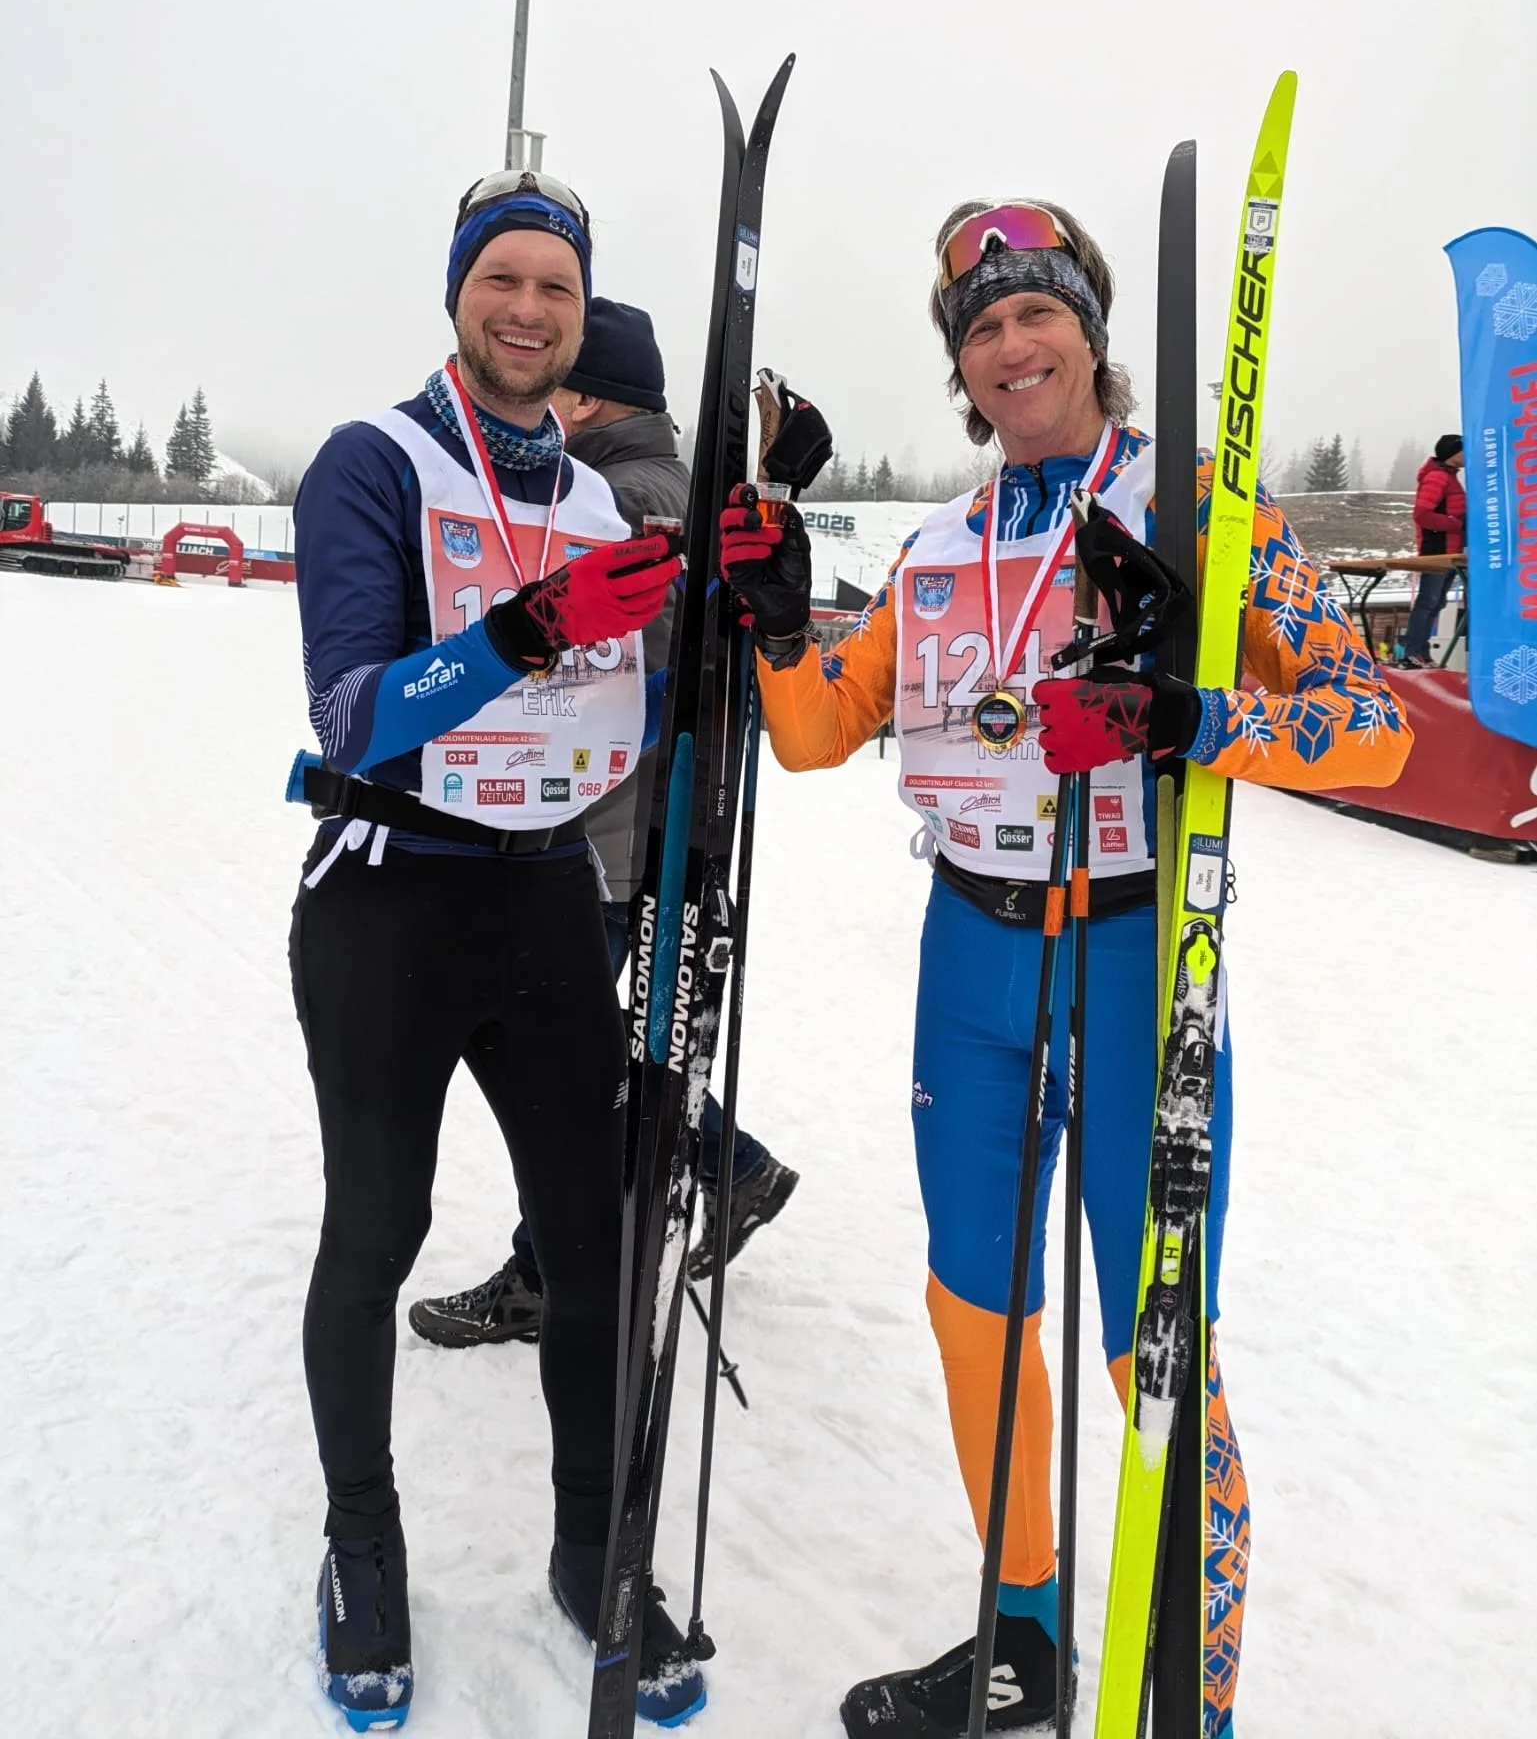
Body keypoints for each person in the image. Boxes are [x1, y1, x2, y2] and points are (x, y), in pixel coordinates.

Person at [719, 198, 1412, 1739]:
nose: (1011, 344)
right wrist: (772, 625)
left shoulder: (1203, 510)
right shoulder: (939, 548)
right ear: (962, 371)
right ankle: (1020, 1634)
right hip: (968, 956)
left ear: (1091, 335)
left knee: (1149, 1339)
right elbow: (817, 731)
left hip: (1134, 954)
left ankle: (1190, 1696)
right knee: (974, 1309)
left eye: (1037, 313)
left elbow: (1372, 728)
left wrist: (1188, 717)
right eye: (982, 327)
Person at [289, 172, 705, 1731]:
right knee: (375, 1228)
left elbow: (635, 723)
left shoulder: (595, 499)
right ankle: (362, 1549)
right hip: (388, 894)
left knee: (592, 1243)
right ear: (458, 291)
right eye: (503, 280)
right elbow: (351, 711)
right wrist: (523, 631)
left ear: (583, 316)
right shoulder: (374, 461)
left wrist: (724, 602)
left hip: (542, 896)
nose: (529, 311)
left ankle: (592, 1552)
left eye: (557, 289)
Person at [406, 298, 799, 1352]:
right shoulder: (674, 486)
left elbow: (578, 680)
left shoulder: (609, 500)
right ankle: (728, 1165)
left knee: (556, 1062)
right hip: (646, 826)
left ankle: (552, 1268)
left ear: (586, 398)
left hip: (598, 832)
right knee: (597, 1044)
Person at [1400, 432, 1465, 666]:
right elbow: (1422, 514)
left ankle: (1422, 652)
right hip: (1437, 550)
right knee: (1428, 601)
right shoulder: (1437, 477)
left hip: (1450, 551)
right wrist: (1457, 524)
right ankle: (1412, 652)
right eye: (1463, 450)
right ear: (1452, 453)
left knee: (1436, 603)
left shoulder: (1450, 477)